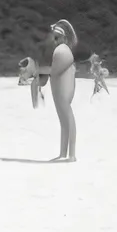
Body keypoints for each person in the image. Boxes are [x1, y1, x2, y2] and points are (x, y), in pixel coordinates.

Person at [47, 21, 79, 161]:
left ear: (64, 38)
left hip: (62, 91)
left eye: (57, 38)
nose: (55, 42)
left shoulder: (63, 51)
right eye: (54, 38)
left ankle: (71, 154)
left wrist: (35, 71)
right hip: (59, 89)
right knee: (64, 121)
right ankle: (63, 153)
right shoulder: (61, 51)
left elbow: (54, 71)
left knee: (67, 119)